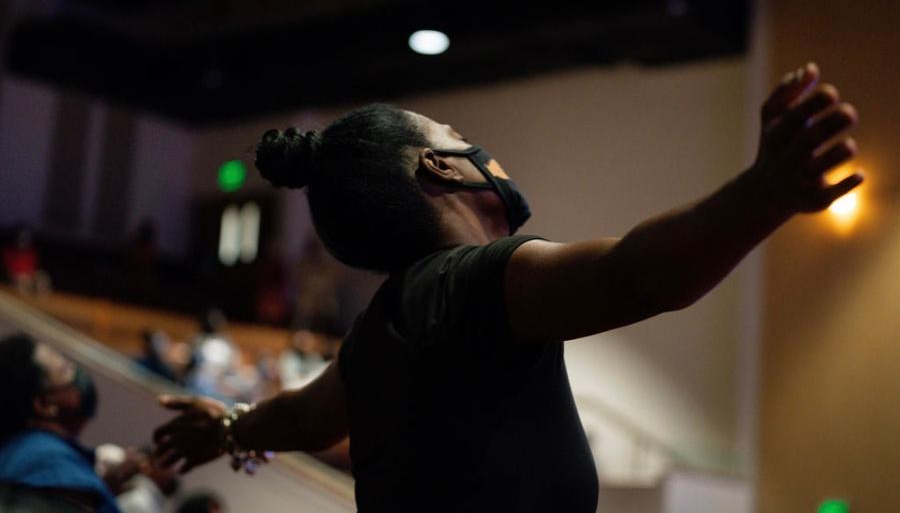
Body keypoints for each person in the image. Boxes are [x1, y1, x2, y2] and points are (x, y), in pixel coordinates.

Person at [152, 63, 862, 512]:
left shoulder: (378, 331)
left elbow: (305, 418)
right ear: (443, 167)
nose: (482, 150)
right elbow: (636, 274)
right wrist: (765, 191)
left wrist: (227, 428)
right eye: (456, 134)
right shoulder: (484, 279)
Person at [0, 334, 123, 512]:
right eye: (65, 370)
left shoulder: (23, 451)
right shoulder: (49, 461)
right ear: (44, 404)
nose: (77, 374)